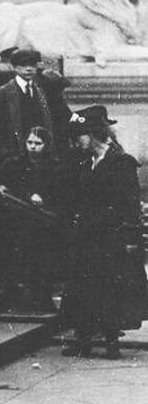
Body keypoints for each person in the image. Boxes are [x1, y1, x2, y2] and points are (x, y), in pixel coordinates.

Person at [60, 106, 147, 357]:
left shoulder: (121, 163)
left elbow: (130, 204)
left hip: (111, 238)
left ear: (93, 133)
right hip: (87, 237)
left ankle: (111, 342)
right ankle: (84, 340)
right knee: (84, 287)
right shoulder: (86, 163)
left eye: (80, 135)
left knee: (110, 289)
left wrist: (131, 238)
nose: (76, 141)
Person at [0, 125, 64, 312]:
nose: (32, 147)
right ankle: (22, 300)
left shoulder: (54, 165)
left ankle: (43, 299)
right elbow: (7, 182)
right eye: (29, 142)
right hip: (21, 220)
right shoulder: (15, 164)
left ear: (46, 145)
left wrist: (44, 198)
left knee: (44, 260)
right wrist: (13, 190)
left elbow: (59, 190)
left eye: (38, 143)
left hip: (44, 221)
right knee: (22, 260)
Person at [0, 48, 51, 167]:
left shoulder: (40, 91)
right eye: (23, 65)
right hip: (14, 159)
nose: (28, 69)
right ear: (14, 67)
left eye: (32, 65)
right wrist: (6, 156)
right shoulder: (3, 93)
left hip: (39, 158)